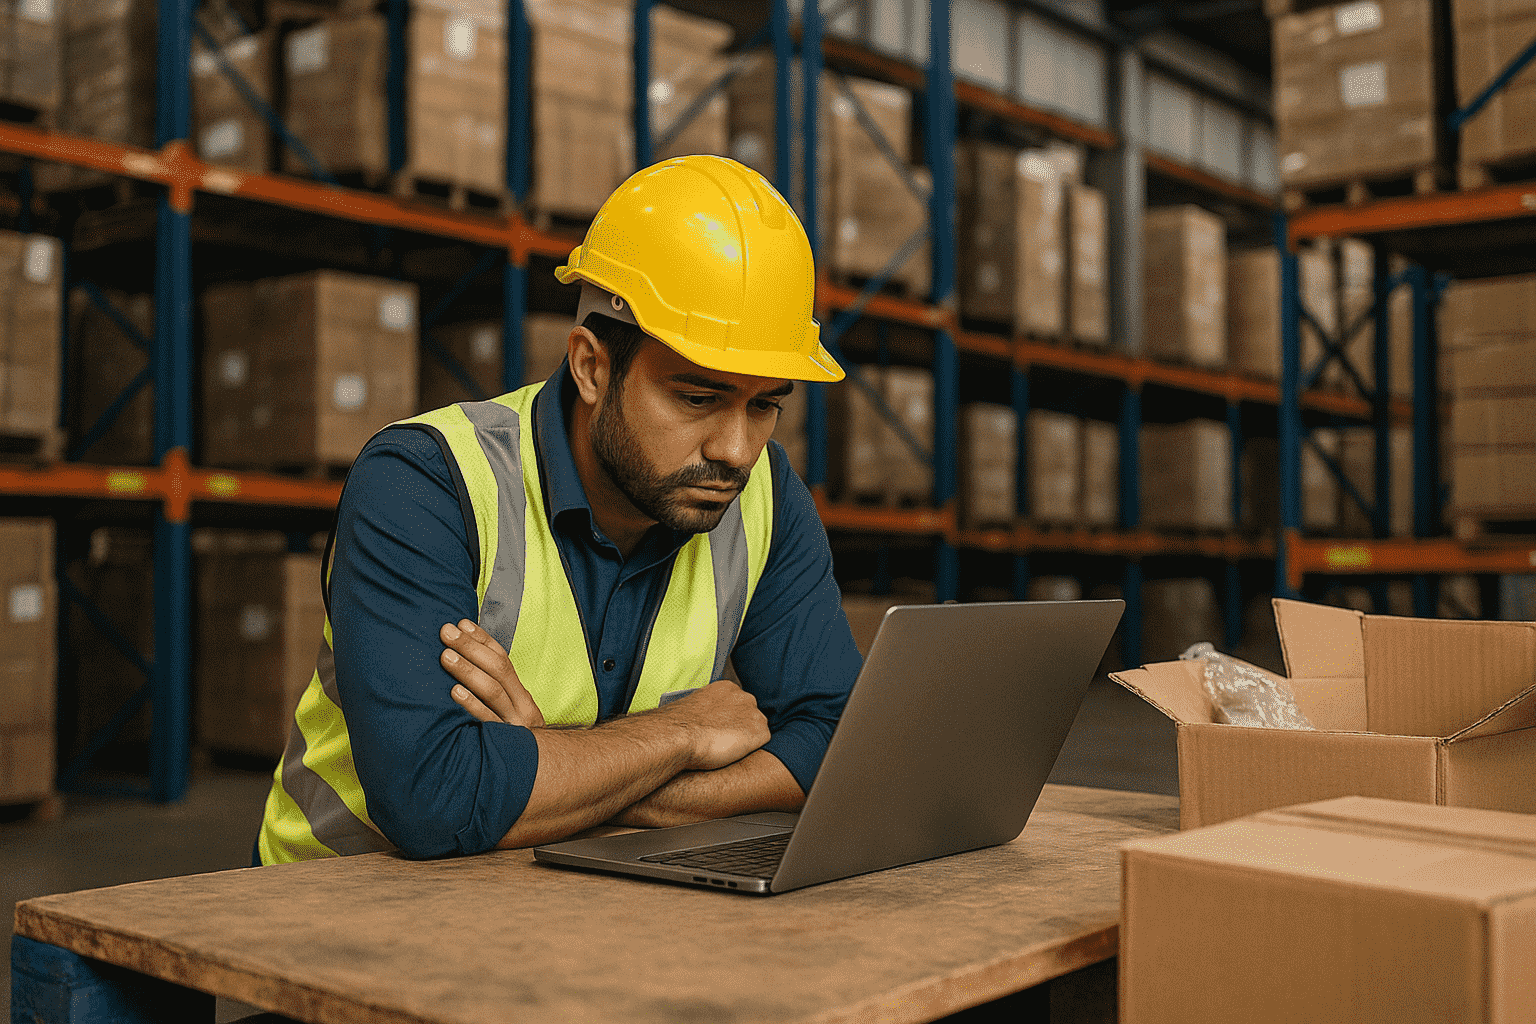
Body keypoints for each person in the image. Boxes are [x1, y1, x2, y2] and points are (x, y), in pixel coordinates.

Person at [257, 155, 863, 863]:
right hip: (322, 912)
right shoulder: (426, 483)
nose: (735, 449)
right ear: (592, 366)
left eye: (764, 406)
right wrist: (681, 737)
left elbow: (839, 746)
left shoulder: (767, 497)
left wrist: (559, 769)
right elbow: (432, 799)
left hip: (561, 909)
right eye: (697, 398)